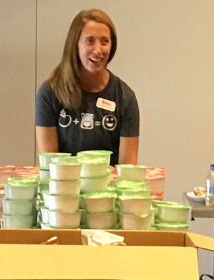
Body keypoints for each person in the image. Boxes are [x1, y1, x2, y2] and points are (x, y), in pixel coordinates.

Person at [34, 9, 139, 165]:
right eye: (89, 41)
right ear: (75, 44)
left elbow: (127, 169)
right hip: (63, 186)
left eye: (105, 41)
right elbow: (50, 167)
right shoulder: (49, 93)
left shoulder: (125, 97)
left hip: (108, 187)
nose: (98, 50)